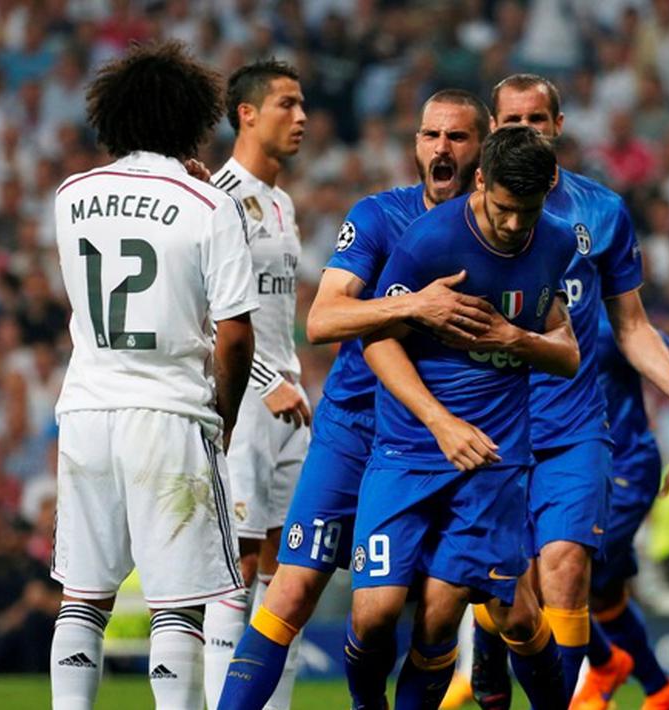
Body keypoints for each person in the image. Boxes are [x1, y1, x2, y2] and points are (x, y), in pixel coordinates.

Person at [218, 89, 495, 710]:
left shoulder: (498, 236)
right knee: (291, 592)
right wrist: (415, 304)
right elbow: (324, 316)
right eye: (431, 136)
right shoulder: (377, 216)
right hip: (355, 426)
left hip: (437, 436)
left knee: (429, 617)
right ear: (417, 146)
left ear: (483, 148)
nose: (441, 148)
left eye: (457, 137)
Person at [474, 73, 669, 709]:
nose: (525, 131)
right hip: (497, 430)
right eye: (511, 122)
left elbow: (635, 328)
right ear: (492, 129)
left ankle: (582, 692)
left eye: (537, 121)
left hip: (577, 431)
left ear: (558, 128)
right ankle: (526, 679)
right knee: (509, 593)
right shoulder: (466, 213)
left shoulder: (602, 212)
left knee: (568, 573)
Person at [50, 41, 257, 710]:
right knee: (177, 603)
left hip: (86, 409)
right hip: (169, 411)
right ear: (194, 119)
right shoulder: (207, 203)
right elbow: (235, 331)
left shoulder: (70, 195)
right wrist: (221, 418)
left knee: (83, 595)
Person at [347, 124, 576, 709]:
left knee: (445, 619)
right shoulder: (430, 241)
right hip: (409, 448)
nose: (515, 225)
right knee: (373, 615)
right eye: (504, 209)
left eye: (529, 211)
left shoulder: (554, 243)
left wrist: (514, 338)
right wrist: (440, 422)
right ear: (481, 182)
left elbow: (567, 352)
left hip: (491, 458)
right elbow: (378, 340)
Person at [200, 60, 310, 710]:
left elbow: (273, 314)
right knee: (234, 564)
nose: (300, 118)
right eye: (286, 105)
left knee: (286, 567)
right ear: (245, 113)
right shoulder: (218, 197)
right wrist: (266, 380)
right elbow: (207, 310)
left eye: (302, 106)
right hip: (245, 397)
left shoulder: (282, 201)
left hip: (288, 402)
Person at [571, 307, 669, 710]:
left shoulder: (608, 326)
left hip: (625, 469)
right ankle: (663, 693)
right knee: (606, 595)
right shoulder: (527, 315)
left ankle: (600, 671)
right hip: (575, 474)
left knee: (564, 569)